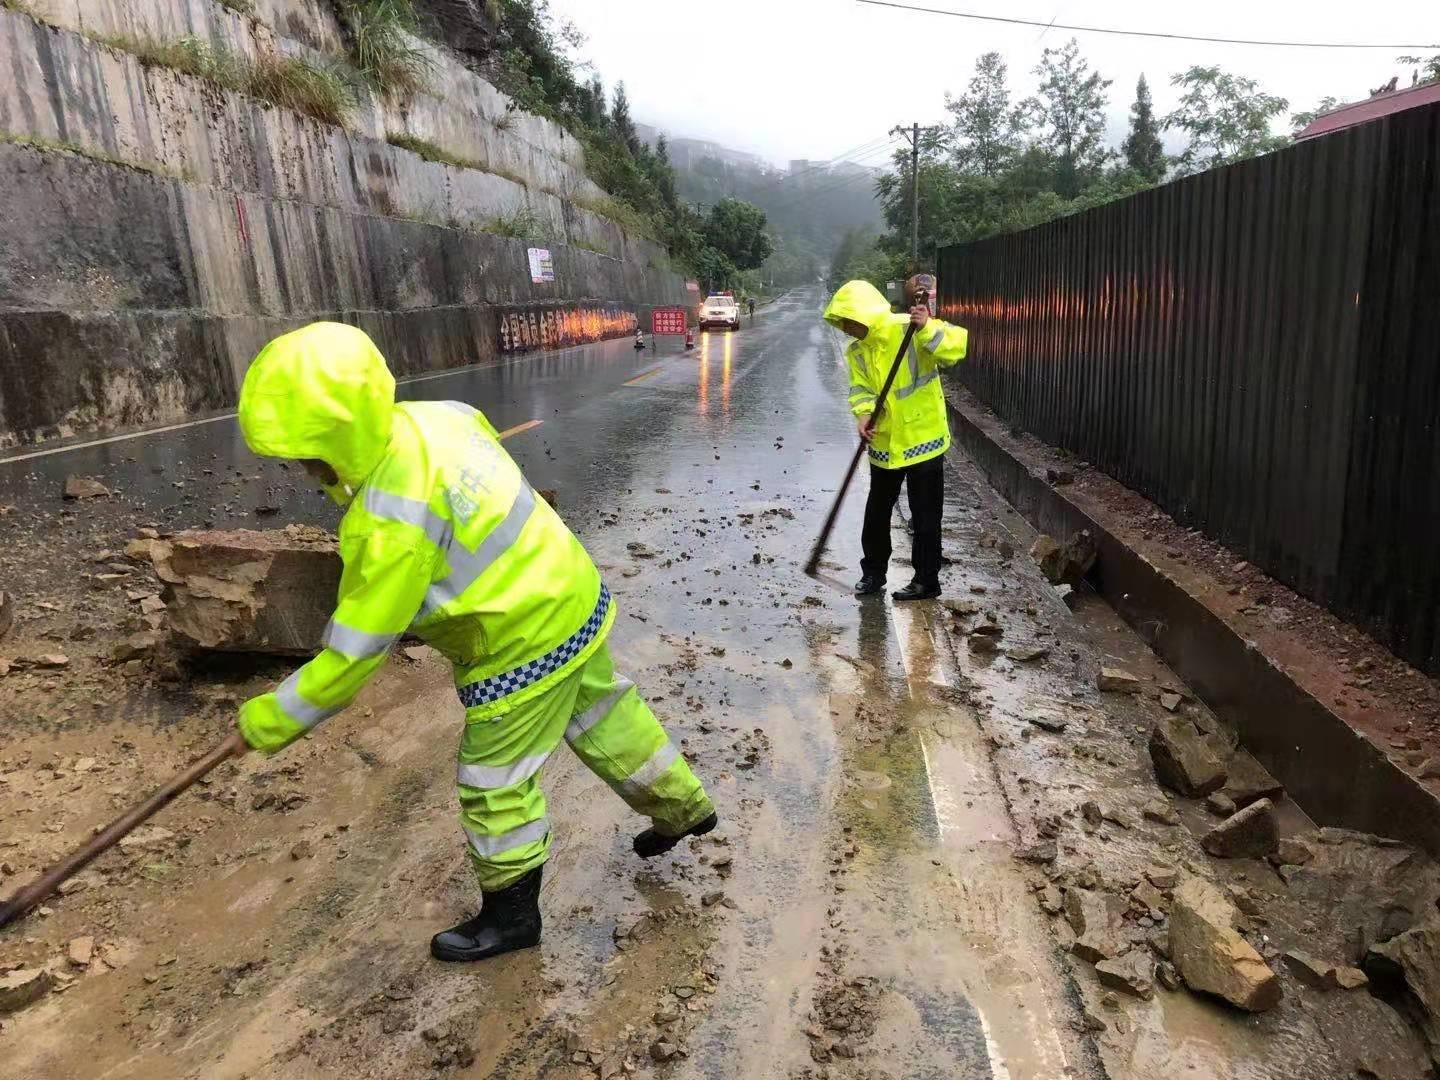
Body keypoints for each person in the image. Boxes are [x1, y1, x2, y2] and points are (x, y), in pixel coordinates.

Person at [223, 322, 717, 963]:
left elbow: (354, 653)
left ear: (338, 441)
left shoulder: (389, 520)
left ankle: (511, 919)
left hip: (521, 641)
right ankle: (683, 807)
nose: (298, 469)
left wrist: (265, 721)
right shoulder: (436, 418)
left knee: (493, 779)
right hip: (572, 593)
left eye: (304, 454)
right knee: (603, 712)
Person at [822, 276, 968, 601]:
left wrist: (928, 327)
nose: (846, 328)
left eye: (849, 321)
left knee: (926, 517)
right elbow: (860, 389)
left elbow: (956, 347)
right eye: (842, 323)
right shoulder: (857, 351)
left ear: (864, 315)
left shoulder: (909, 327)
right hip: (885, 443)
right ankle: (873, 573)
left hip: (923, 439)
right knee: (877, 513)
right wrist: (863, 415)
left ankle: (926, 581)